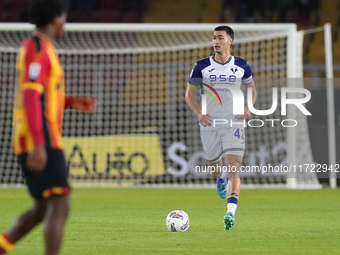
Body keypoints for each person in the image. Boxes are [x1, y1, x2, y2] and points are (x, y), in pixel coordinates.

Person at [0, 0, 97, 254]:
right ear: (57, 19)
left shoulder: (47, 49)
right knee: (61, 203)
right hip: (39, 138)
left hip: (42, 136)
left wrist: (70, 102)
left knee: (42, 209)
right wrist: (39, 145)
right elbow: (30, 97)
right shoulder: (36, 48)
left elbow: (43, 96)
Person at [185, 25, 257, 230]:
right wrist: (199, 114)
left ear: (230, 41)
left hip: (234, 123)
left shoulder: (242, 66)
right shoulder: (201, 66)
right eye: (214, 38)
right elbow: (189, 95)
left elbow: (252, 89)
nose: (216, 41)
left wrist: (248, 107)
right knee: (215, 170)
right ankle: (219, 179)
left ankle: (230, 213)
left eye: (220, 38)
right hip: (209, 125)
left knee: (234, 169)